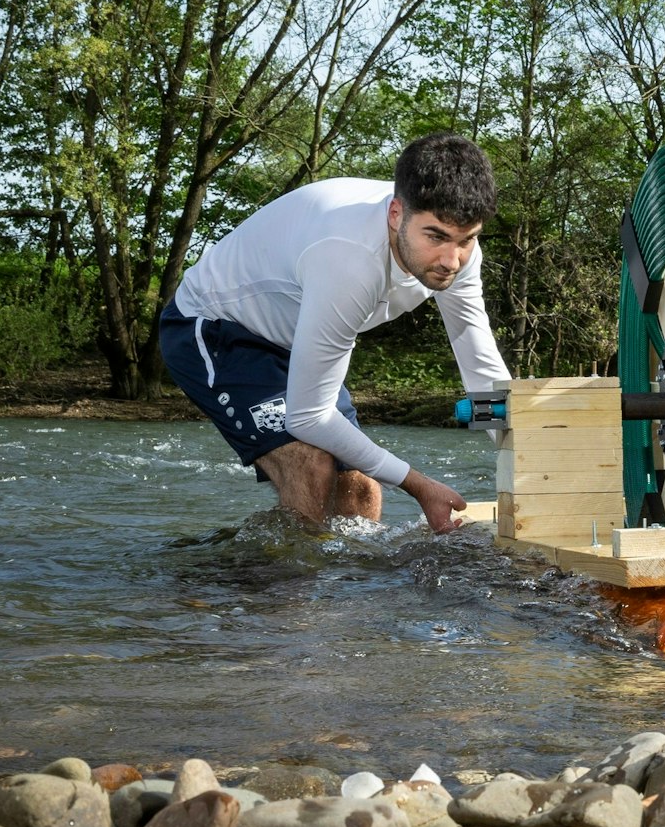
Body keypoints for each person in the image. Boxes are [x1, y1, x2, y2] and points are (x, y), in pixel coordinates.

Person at [159, 132, 508, 534]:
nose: (451, 260)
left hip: (299, 332)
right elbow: (309, 418)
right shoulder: (348, 258)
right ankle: (288, 591)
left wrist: (527, 462)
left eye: (466, 240)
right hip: (215, 327)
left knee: (361, 489)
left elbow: (477, 357)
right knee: (310, 463)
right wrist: (419, 484)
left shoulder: (461, 254)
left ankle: (346, 595)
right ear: (396, 214)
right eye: (436, 237)